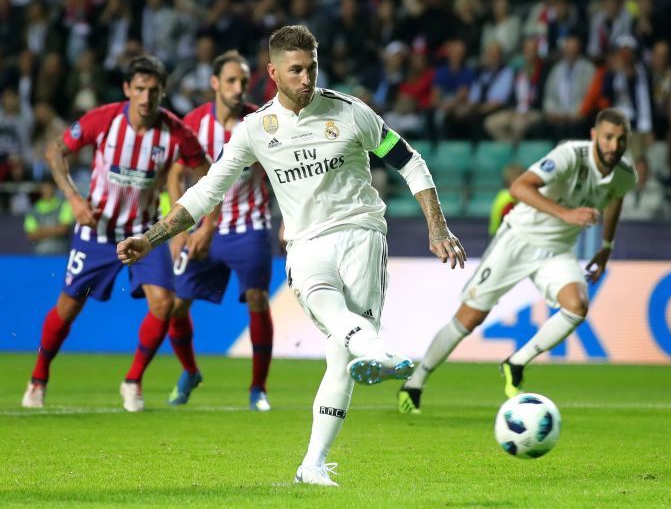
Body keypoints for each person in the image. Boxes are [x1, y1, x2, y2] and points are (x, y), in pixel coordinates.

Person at [116, 25, 466, 487]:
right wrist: (152, 237)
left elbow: (409, 161)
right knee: (329, 309)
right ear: (273, 73)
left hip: (363, 234)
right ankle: (378, 353)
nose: (306, 78)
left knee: (341, 359)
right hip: (306, 245)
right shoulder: (257, 130)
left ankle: (313, 464)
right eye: (296, 70)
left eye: (312, 68)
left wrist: (436, 225)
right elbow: (205, 194)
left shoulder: (350, 112)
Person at [398, 108, 637, 415]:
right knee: (469, 318)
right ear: (594, 136)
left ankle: (516, 363)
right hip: (518, 240)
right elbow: (519, 187)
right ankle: (415, 384)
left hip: (558, 249)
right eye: (608, 137)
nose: (613, 146)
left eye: (621, 139)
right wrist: (566, 214)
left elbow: (616, 198)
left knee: (577, 306)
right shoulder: (569, 156)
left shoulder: (626, 174)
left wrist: (606, 246)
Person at [21, 55, 215, 412]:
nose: (146, 97)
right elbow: (56, 151)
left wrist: (200, 221)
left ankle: (133, 381)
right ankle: (38, 379)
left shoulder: (176, 133)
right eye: (139, 89)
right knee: (68, 307)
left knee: (165, 304)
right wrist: (74, 198)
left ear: (162, 92)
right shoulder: (104, 119)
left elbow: (208, 174)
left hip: (144, 232)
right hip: (97, 231)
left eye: (153, 90)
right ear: (127, 89)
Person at [166, 50, 276, 411]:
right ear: (214, 83)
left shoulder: (261, 120)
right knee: (176, 306)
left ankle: (258, 389)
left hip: (250, 224)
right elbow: (175, 174)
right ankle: (190, 371)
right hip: (201, 229)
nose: (238, 87)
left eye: (243, 81)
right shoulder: (195, 123)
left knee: (258, 299)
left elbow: (279, 172)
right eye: (230, 80)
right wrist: (178, 228)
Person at [24, 178, 74, 255]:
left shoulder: (64, 204)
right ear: (40, 190)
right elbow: (31, 235)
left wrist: (41, 231)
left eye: (49, 188)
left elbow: (64, 229)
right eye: (44, 188)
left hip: (62, 253)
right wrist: (55, 229)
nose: (47, 191)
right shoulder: (33, 210)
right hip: (40, 255)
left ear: (54, 188)